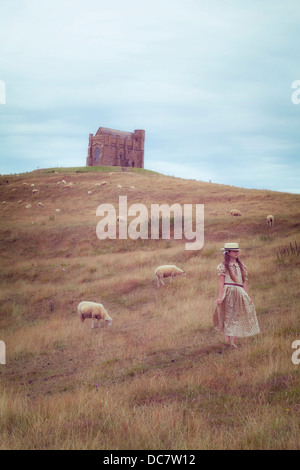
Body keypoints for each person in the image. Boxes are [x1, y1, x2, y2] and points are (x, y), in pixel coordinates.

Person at [213, 242, 260, 347]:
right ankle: (226, 341)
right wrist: (220, 297)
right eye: (234, 251)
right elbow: (221, 282)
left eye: (237, 251)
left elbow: (244, 282)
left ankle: (233, 341)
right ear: (228, 253)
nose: (236, 253)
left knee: (237, 316)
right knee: (228, 315)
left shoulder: (242, 266)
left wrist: (247, 296)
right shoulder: (223, 266)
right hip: (228, 291)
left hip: (239, 292)